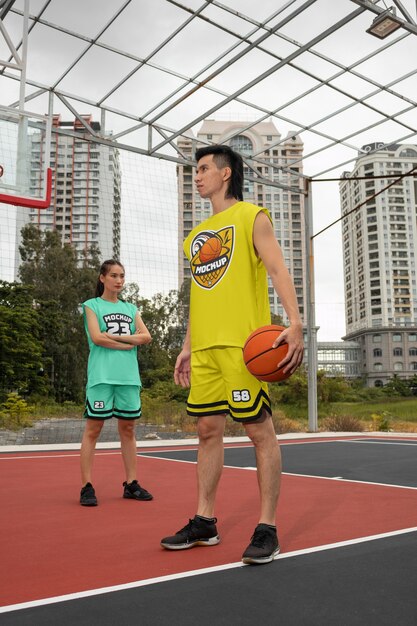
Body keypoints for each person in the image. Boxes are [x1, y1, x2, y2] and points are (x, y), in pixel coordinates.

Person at [160, 145, 304, 564]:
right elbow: (199, 294)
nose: (198, 175)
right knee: (207, 431)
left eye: (204, 169)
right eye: (196, 169)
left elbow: (277, 268)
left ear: (225, 174)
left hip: (244, 347)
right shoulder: (194, 238)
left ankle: (267, 528)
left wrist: (295, 323)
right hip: (205, 349)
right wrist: (188, 345)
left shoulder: (252, 216)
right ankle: (205, 522)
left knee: (259, 431)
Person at [79, 259, 153, 506]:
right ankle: (86, 486)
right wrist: (127, 341)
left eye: (122, 275)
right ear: (102, 278)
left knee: (128, 430)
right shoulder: (92, 306)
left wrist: (115, 336)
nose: (119, 280)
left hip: (128, 378)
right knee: (93, 430)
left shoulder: (131, 309)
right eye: (113, 275)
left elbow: (146, 337)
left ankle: (131, 483)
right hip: (102, 377)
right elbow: (97, 338)